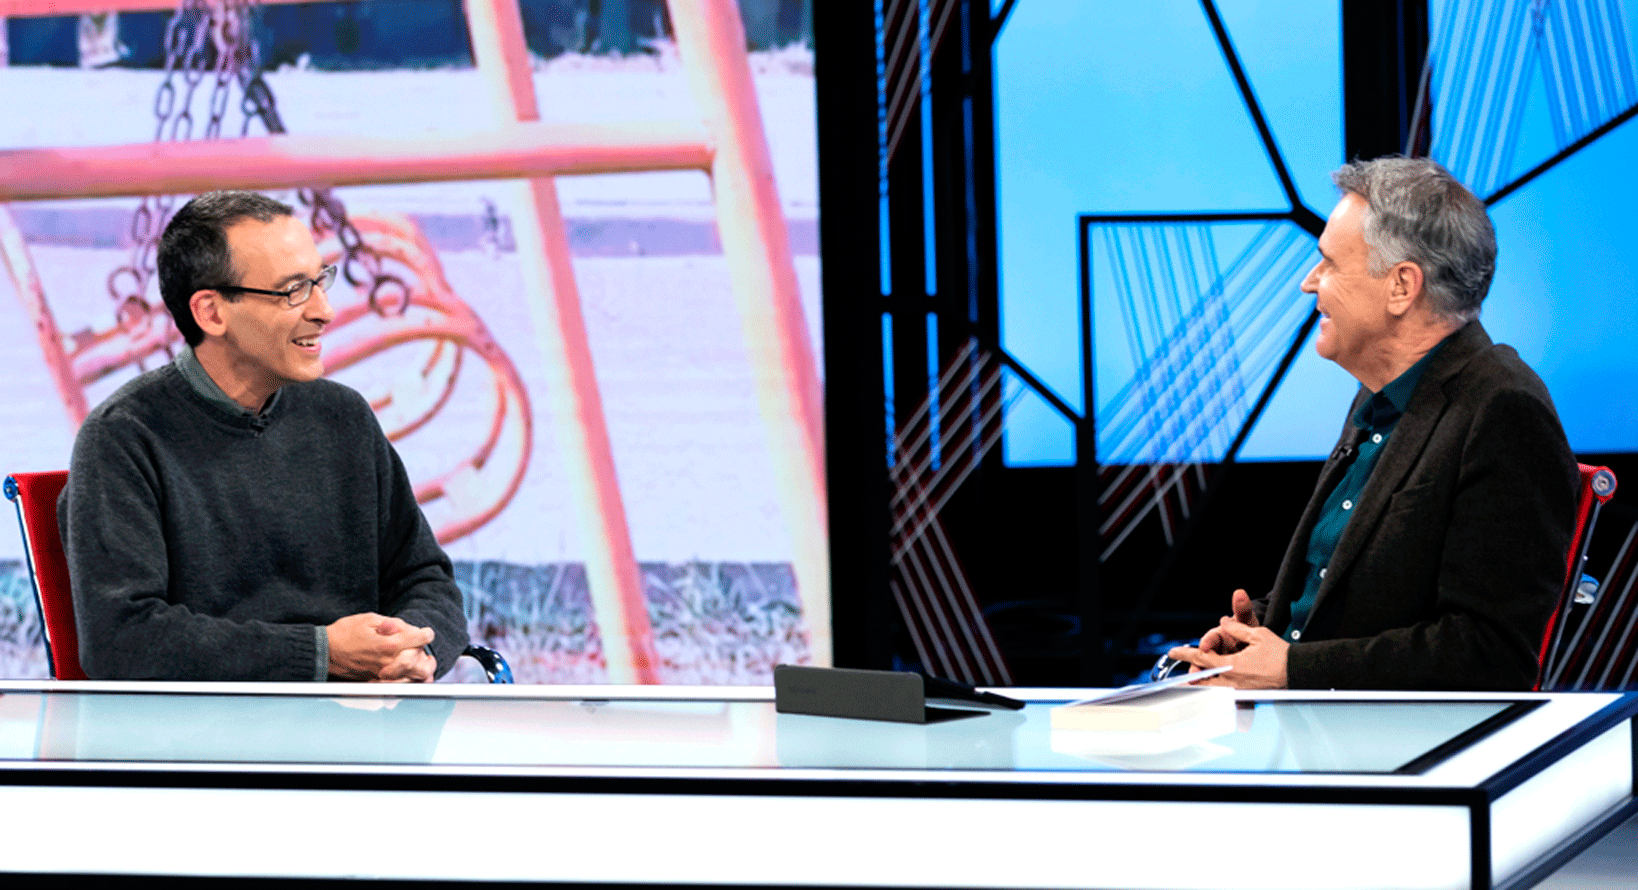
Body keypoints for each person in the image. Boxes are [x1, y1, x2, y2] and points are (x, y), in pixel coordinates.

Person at [1167, 157, 1577, 690]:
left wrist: (1292, 667)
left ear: (1402, 286)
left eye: (1330, 264)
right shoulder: (1380, 395)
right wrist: (1260, 634)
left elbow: (1489, 654)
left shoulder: (1504, 409)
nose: (1308, 283)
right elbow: (1358, 603)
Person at [59, 190, 469, 681]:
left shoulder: (345, 416)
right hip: (205, 728)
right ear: (211, 312)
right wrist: (320, 654)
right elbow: (123, 641)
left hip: (366, 714)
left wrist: (417, 648)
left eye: (320, 281)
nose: (324, 310)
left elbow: (425, 578)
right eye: (294, 290)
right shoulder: (122, 438)